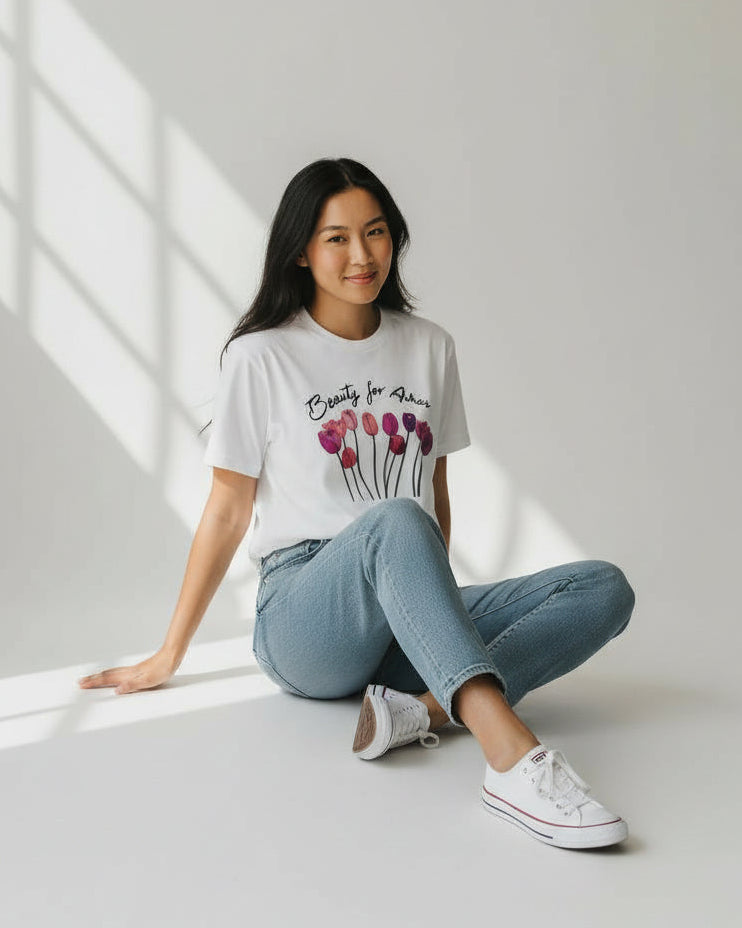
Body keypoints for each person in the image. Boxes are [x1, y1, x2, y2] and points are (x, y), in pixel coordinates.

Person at [78, 157, 636, 850]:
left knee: (604, 588)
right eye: (336, 237)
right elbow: (226, 511)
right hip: (306, 617)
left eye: (374, 232)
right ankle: (513, 762)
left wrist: (430, 612)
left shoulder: (430, 348)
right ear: (302, 251)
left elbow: (436, 491)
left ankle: (421, 711)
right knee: (395, 519)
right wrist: (169, 654)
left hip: (404, 599)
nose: (360, 254)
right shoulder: (261, 358)